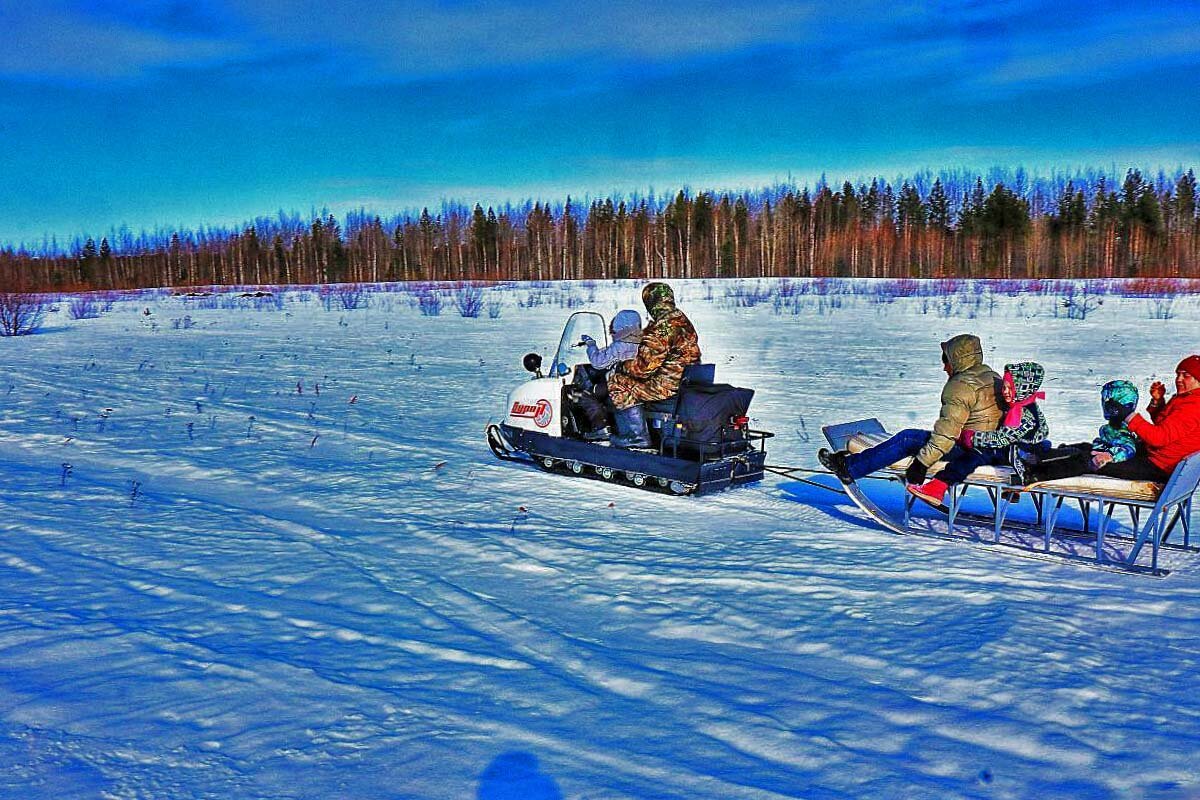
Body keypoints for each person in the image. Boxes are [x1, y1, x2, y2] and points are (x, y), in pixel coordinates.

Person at [819, 333, 1001, 485]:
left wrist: (921, 464)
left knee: (907, 438)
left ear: (958, 360)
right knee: (916, 437)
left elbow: (947, 434)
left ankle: (849, 467)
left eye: (946, 360)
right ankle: (860, 460)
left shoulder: (960, 386)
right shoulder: (991, 375)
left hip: (971, 451)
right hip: (993, 449)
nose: (944, 367)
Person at [908, 361, 1049, 507]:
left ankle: (938, 486)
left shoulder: (1021, 414)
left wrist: (973, 437)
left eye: (1011, 388)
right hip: (1023, 454)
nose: (1005, 392)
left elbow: (1000, 439)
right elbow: (1043, 431)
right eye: (1004, 387)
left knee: (976, 455)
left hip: (1019, 457)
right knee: (986, 452)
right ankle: (1013, 490)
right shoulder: (1029, 404)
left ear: (1022, 389)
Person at [607, 282, 701, 449]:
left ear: (651, 302)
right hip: (685, 382)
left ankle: (636, 437)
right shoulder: (682, 320)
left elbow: (644, 368)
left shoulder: (662, 327)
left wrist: (622, 365)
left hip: (665, 386)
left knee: (617, 382)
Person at [1019, 380, 1140, 483]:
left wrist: (1109, 456)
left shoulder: (1124, 429)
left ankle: (1037, 473)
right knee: (1082, 446)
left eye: (1108, 404)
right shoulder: (1116, 426)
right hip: (1101, 453)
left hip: (1106, 462)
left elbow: (1128, 449)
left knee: (1080, 457)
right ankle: (1045, 455)